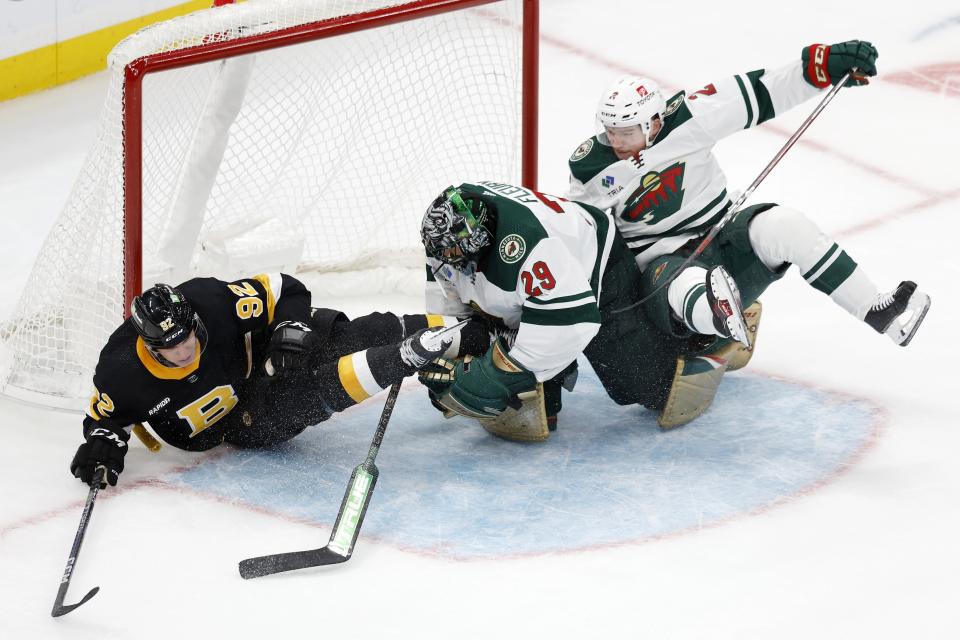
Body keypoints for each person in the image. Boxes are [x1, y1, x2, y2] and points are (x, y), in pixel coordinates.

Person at [566, 39, 930, 350]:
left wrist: (819, 68)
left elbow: (762, 90)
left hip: (725, 236)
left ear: (655, 123)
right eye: (609, 130)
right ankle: (720, 319)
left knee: (785, 226)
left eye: (625, 131)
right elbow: (582, 238)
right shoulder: (591, 170)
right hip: (662, 267)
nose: (615, 140)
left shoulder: (690, 117)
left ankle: (875, 309)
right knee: (685, 283)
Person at [70, 272, 485, 488]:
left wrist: (288, 327)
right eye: (170, 348)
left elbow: (284, 288)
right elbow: (104, 422)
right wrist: (100, 450)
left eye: (189, 337)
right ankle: (406, 357)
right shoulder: (121, 370)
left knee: (358, 333)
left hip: (263, 357)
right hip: (238, 422)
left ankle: (477, 331)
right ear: (147, 345)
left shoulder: (210, 302)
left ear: (194, 319)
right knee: (300, 397)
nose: (185, 351)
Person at [418, 181, 743, 440]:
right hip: (542, 282)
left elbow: (571, 322)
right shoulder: (448, 235)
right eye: (441, 251)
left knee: (642, 387)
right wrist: (453, 358)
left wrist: (498, 374)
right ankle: (546, 392)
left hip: (594, 264)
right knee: (521, 373)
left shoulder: (526, 245)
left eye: (454, 250)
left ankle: (704, 339)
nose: (445, 258)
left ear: (479, 240)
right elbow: (454, 309)